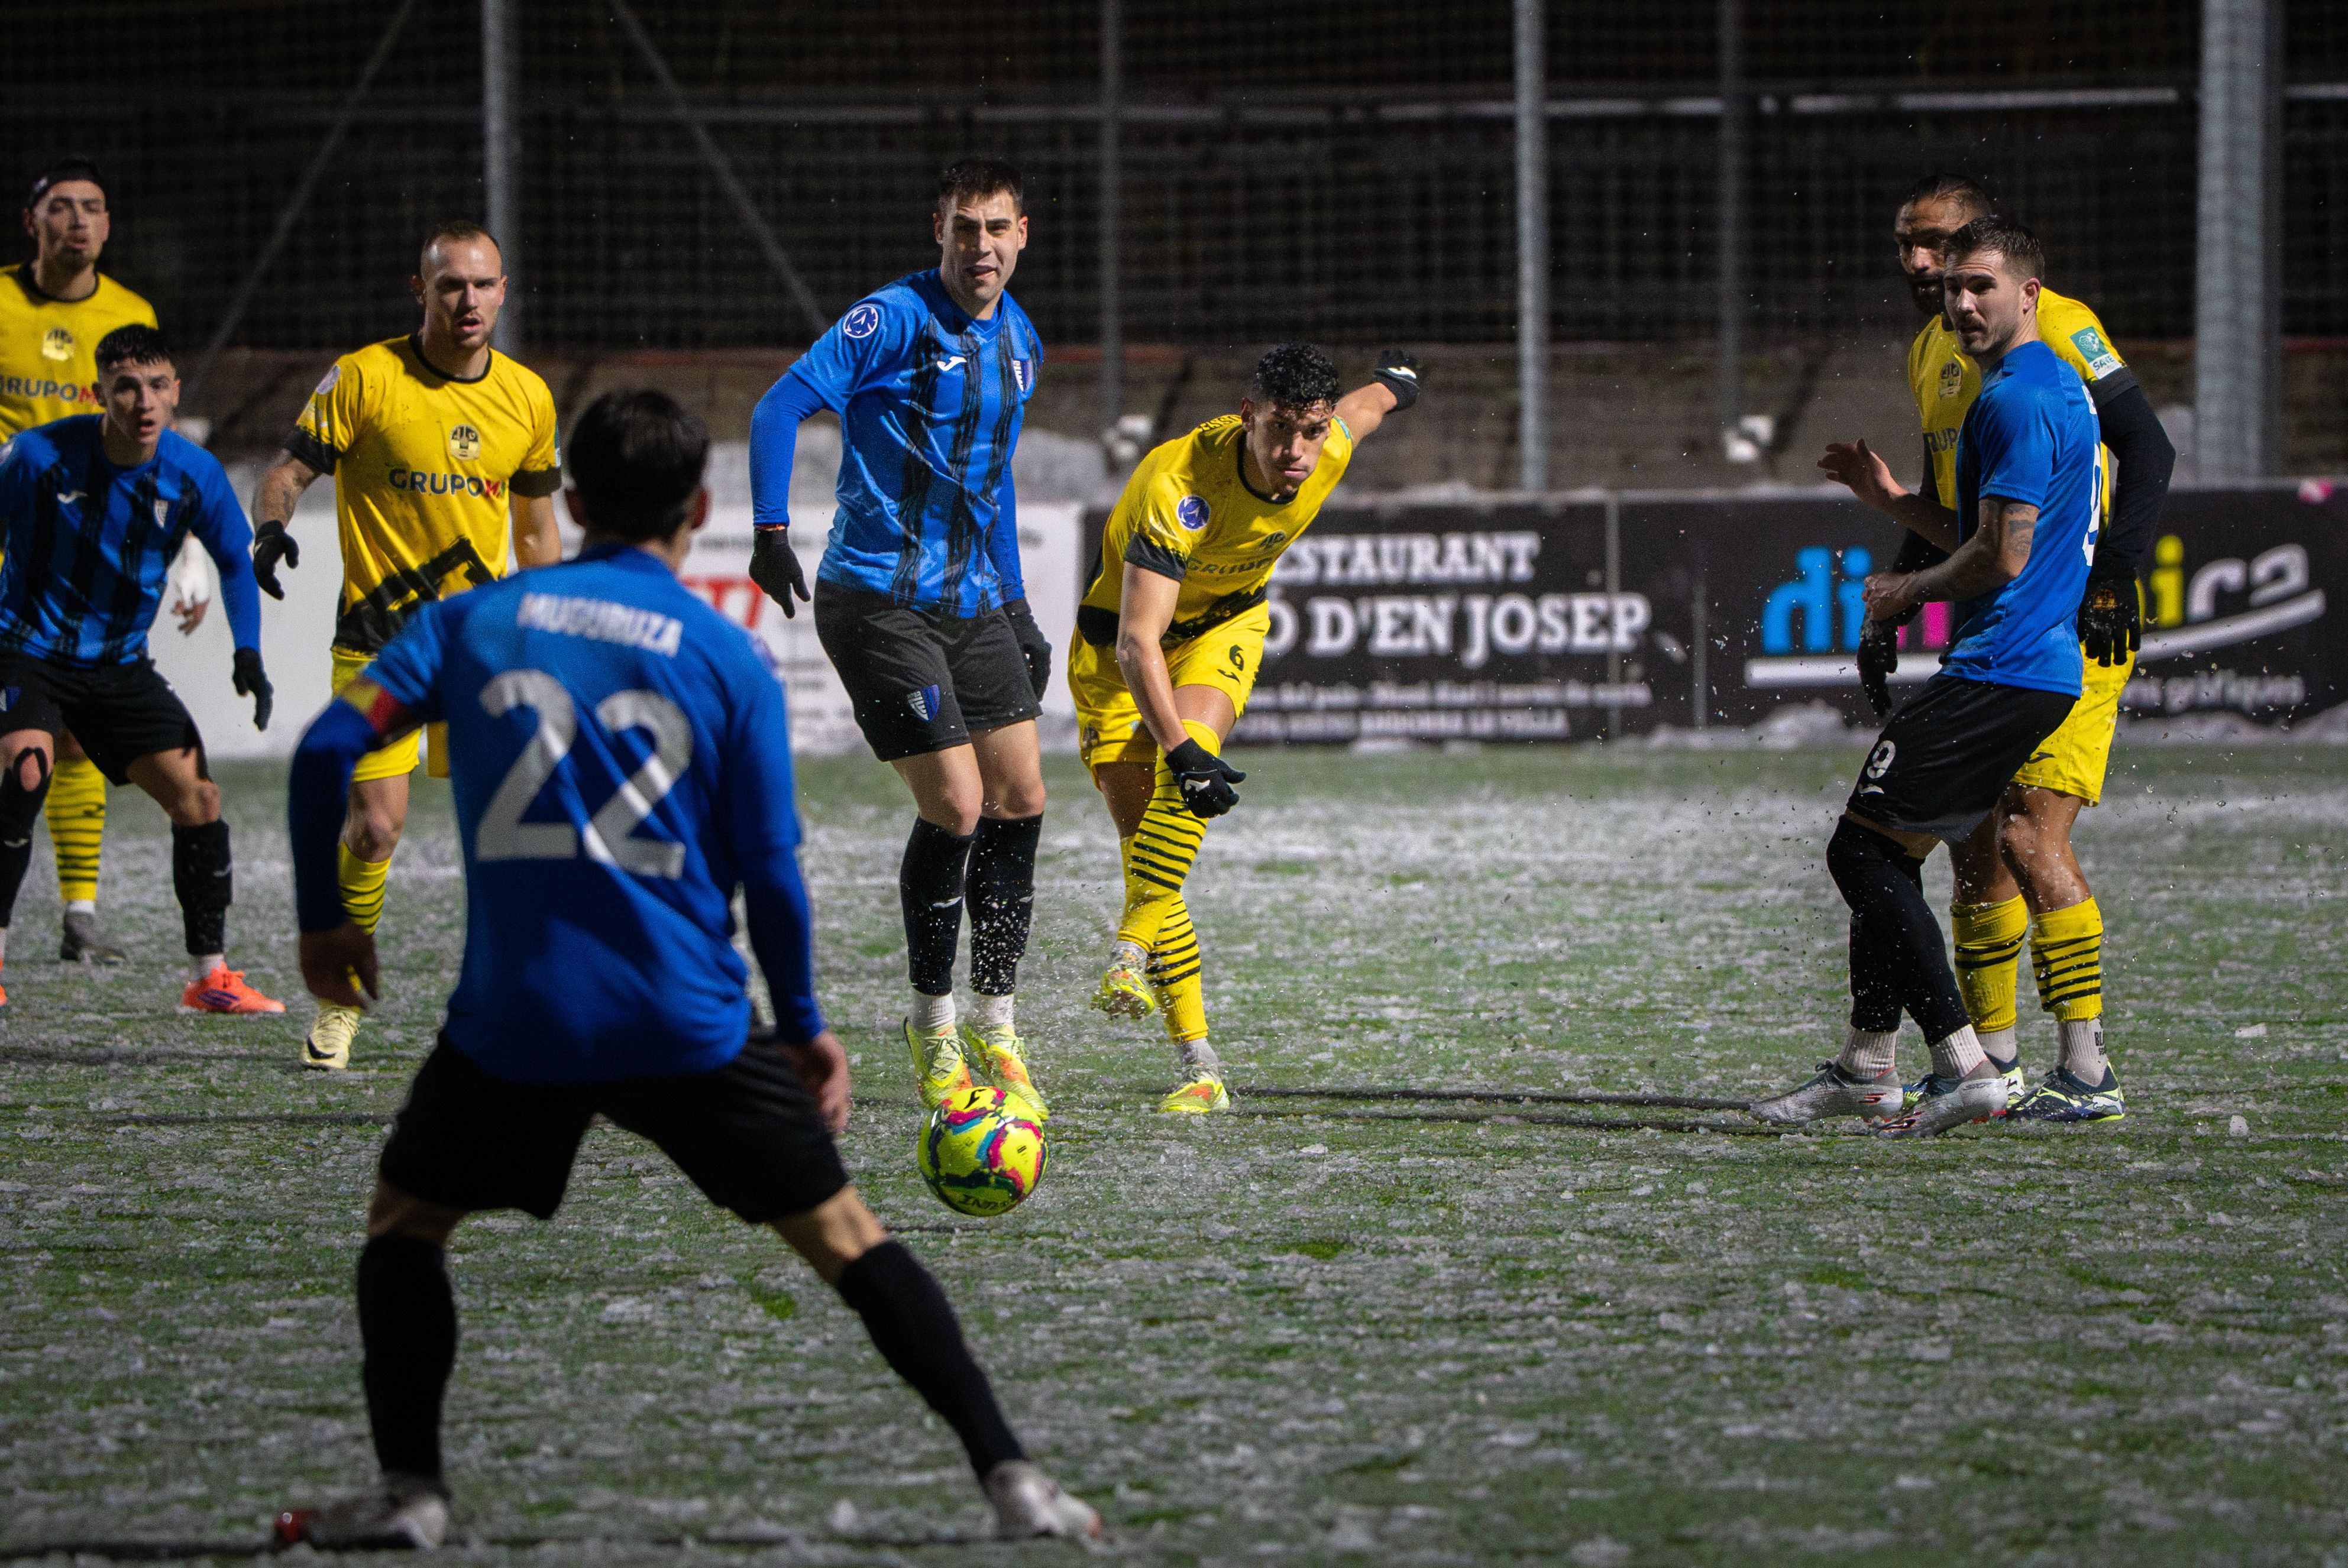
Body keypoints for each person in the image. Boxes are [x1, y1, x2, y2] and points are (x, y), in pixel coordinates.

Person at [275, 389, 1098, 1550]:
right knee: (849, 1243)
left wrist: (323, 927)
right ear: (698, 507)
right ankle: (1011, 1478)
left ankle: (412, 1493)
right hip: (689, 1020)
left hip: (519, 1021)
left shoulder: (474, 622)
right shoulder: (723, 653)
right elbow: (770, 871)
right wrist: (804, 1023)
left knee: (407, 1223)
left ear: (569, 500)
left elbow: (323, 750)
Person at [1754, 218, 2098, 1139]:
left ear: (2030, 294)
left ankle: (1964, 1064)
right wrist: (1892, 505)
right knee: (1889, 853)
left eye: (1981, 285)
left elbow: (2002, 557)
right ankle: (1868, 1067)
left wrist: (1904, 592)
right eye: (1951, 288)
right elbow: (1991, 537)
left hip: (2002, 667)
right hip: (2027, 669)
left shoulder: (2014, 400)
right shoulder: (2051, 391)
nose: (1960, 302)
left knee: (1857, 853)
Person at [746, 157, 1055, 1116]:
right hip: (876, 599)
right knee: (959, 804)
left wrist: (1016, 606)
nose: (982, 247)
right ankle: (933, 1024)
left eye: (998, 229)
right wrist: (767, 530)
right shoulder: (890, 318)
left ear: (1022, 235)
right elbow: (779, 405)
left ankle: (998, 1026)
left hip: (973, 603)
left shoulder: (1023, 344)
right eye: (966, 229)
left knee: (1022, 797)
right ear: (940, 231)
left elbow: (988, 483)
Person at [1863, 174, 2174, 1123]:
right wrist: (1894, 611)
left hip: (2067, 624)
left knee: (2027, 833)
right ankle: (1988, 1065)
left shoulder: (2057, 330)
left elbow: (2147, 449)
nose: (1926, 268)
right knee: (1974, 852)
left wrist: (2117, 575)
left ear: (1994, 258)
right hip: (1994, 629)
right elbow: (1954, 503)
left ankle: (2086, 1070)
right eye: (1911, 248)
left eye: (1943, 249)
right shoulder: (1934, 351)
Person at [250, 221, 562, 1073]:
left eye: (482, 285)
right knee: (378, 831)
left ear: (504, 292)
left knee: (510, 836)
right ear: (418, 289)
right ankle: (337, 1005)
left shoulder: (528, 397)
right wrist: (270, 533)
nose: (468, 300)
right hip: (381, 646)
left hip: (484, 653)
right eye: (450, 285)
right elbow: (283, 473)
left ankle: (521, 1001)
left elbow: (535, 531)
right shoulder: (363, 379)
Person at [1074, 343, 1418, 1112]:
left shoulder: (1326, 443)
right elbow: (1136, 642)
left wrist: (1395, 385)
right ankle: (1197, 1059)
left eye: (1309, 430)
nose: (1296, 451)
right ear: (1246, 417)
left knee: (1187, 787)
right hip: (1121, 652)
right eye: (1279, 431)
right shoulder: (1178, 486)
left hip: (1220, 631)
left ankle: (1141, 972)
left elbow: (1365, 410)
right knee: (1151, 844)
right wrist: (1177, 748)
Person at [0, 325, 277, 1013]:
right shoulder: (38, 456)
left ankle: (210, 977)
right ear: (100, 393)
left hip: (120, 665)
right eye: (126, 387)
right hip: (28, 651)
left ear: (176, 390)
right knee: (25, 773)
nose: (144, 402)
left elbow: (236, 561)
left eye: (157, 386)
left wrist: (248, 651)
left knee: (200, 800)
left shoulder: (194, 471)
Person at [1, 158, 166, 964]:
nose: (77, 220)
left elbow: (147, 430)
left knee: (69, 737)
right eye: (60, 207)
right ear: (31, 222)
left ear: (108, 227)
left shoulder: (132, 313)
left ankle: (79, 912)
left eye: (92, 208)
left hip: (82, 560)